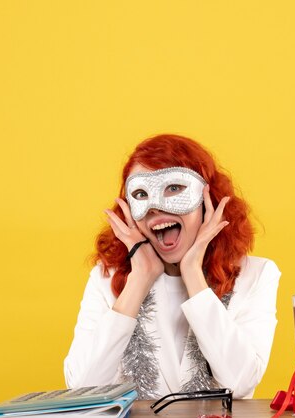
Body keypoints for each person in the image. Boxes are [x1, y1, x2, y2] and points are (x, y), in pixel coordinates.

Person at [64, 134, 280, 399]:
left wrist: (192, 273)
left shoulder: (257, 275)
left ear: (207, 199)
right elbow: (83, 390)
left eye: (174, 188)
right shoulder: (105, 278)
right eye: (141, 194)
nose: (155, 206)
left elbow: (240, 384)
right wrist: (140, 279)